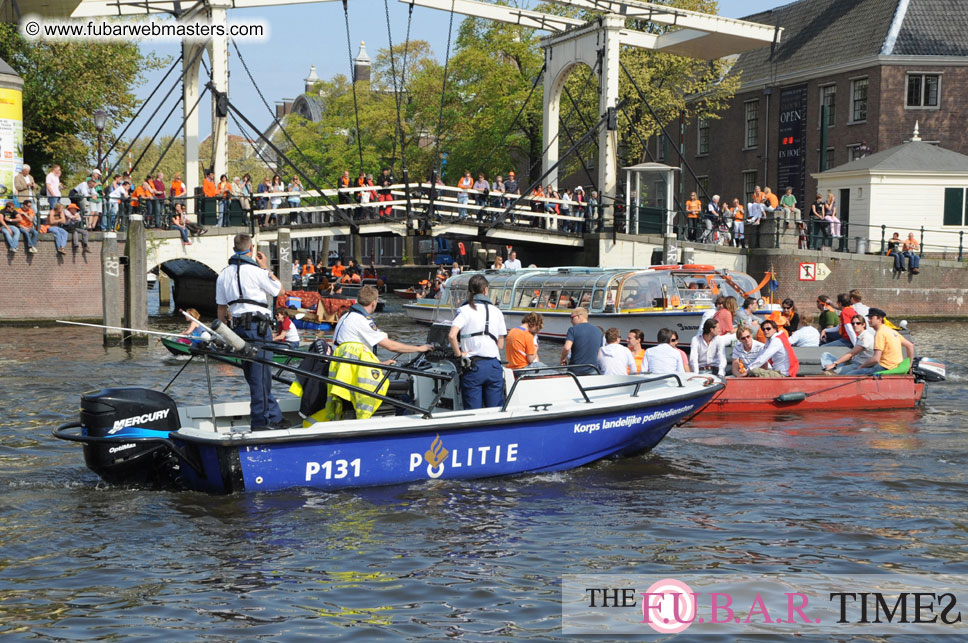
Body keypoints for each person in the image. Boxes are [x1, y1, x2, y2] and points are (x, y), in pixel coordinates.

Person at [215, 234, 286, 431]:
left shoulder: (223, 274)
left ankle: (276, 417)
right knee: (261, 378)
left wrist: (223, 334)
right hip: (259, 329)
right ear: (252, 249)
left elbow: (221, 309)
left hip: (238, 330)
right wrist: (265, 268)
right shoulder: (257, 272)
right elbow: (280, 291)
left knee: (254, 378)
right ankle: (261, 424)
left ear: (234, 248)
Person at [448, 274, 508, 409]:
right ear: (486, 290)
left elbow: (452, 336)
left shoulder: (464, 310)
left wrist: (459, 355)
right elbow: (500, 344)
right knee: (495, 411)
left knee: (473, 414)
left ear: (470, 290)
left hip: (473, 366)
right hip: (493, 366)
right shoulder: (497, 311)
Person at [850, 308, 915, 375]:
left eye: (871, 318)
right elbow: (910, 345)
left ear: (879, 319)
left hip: (885, 367)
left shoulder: (880, 333)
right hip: (896, 366)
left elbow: (876, 359)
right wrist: (909, 365)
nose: (868, 320)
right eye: (868, 318)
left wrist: (861, 366)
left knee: (850, 374)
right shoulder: (891, 331)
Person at [560, 307, 603, 375]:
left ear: (579, 316)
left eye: (572, 317)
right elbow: (599, 353)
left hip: (576, 370)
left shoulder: (572, 330)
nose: (570, 321)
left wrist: (562, 359)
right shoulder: (599, 331)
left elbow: (567, 348)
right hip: (593, 369)